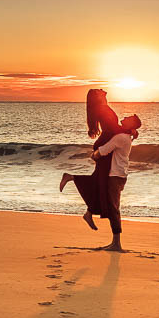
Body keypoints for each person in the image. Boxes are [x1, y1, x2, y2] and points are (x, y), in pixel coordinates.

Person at [59, 88, 119, 230]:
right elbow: (113, 129)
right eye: (99, 91)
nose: (102, 89)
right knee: (101, 181)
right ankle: (71, 177)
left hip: (105, 145)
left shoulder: (103, 107)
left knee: (99, 180)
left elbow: (113, 129)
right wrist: (129, 130)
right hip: (104, 146)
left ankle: (89, 212)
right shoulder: (102, 109)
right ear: (96, 97)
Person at [91, 114, 141, 251]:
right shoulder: (126, 135)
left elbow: (104, 151)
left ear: (131, 125)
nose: (125, 117)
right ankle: (115, 242)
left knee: (113, 208)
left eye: (129, 118)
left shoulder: (121, 137)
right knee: (113, 206)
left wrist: (94, 155)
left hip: (115, 175)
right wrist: (134, 132)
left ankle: (116, 244)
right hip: (121, 174)